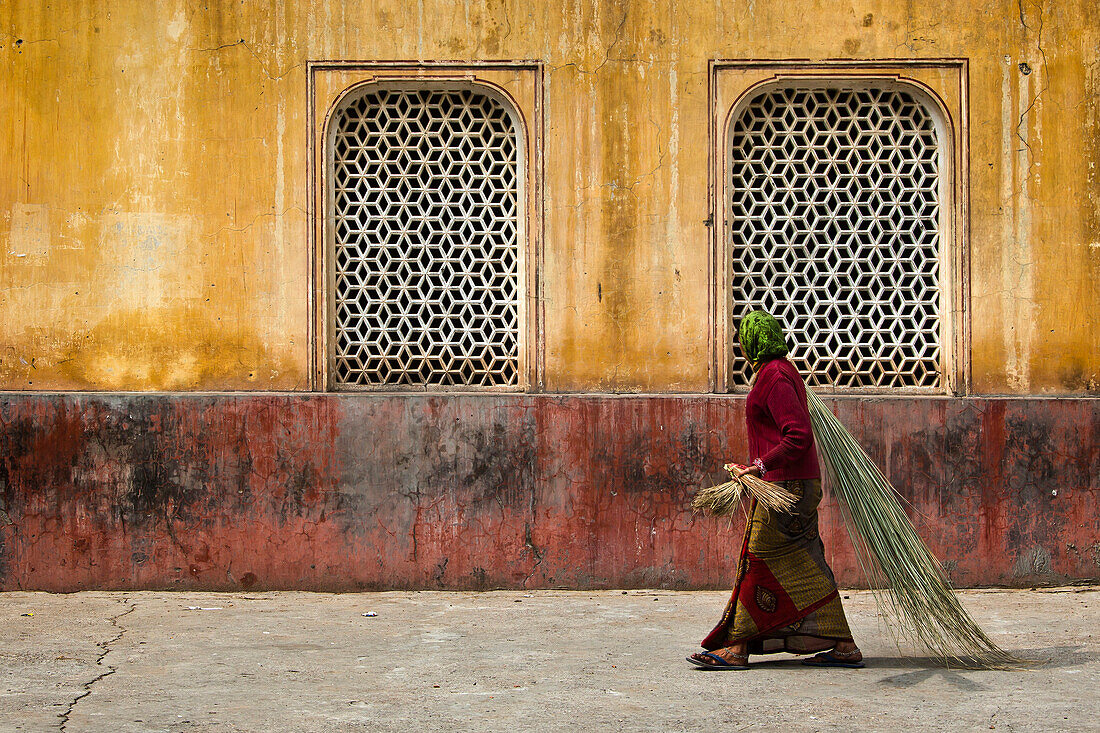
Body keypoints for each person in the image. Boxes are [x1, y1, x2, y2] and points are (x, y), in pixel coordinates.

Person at [687, 311, 864, 670]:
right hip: (788, 484)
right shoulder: (779, 372)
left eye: (743, 339)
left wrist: (761, 466)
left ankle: (737, 648)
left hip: (787, 488)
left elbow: (798, 435)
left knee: (757, 560)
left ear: (753, 341)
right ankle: (843, 644)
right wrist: (754, 467)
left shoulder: (776, 376)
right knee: (808, 563)